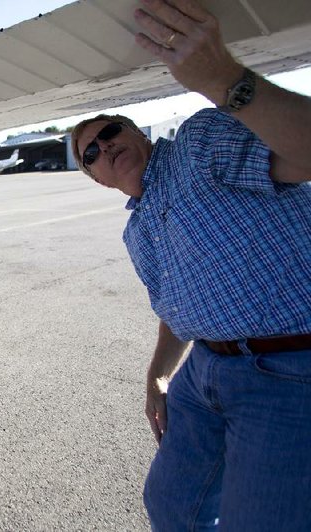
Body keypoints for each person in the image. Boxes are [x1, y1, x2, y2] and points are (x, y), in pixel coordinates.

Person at [70, 0, 311, 530]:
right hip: (204, 370)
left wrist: (226, 81)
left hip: (288, 367)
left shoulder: (199, 143)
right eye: (90, 153)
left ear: (137, 133)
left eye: (111, 131)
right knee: (174, 507)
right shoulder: (137, 229)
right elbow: (176, 308)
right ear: (95, 178)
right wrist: (158, 373)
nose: (105, 148)